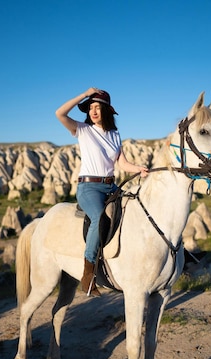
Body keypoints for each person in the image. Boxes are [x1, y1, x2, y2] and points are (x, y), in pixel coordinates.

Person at [56, 87, 148, 296]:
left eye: (97, 107)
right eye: (90, 107)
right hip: (89, 187)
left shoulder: (115, 135)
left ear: (106, 110)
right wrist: (83, 94)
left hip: (111, 186)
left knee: (137, 208)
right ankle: (88, 274)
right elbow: (59, 113)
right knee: (99, 218)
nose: (93, 111)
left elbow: (122, 163)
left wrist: (139, 168)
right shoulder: (83, 130)